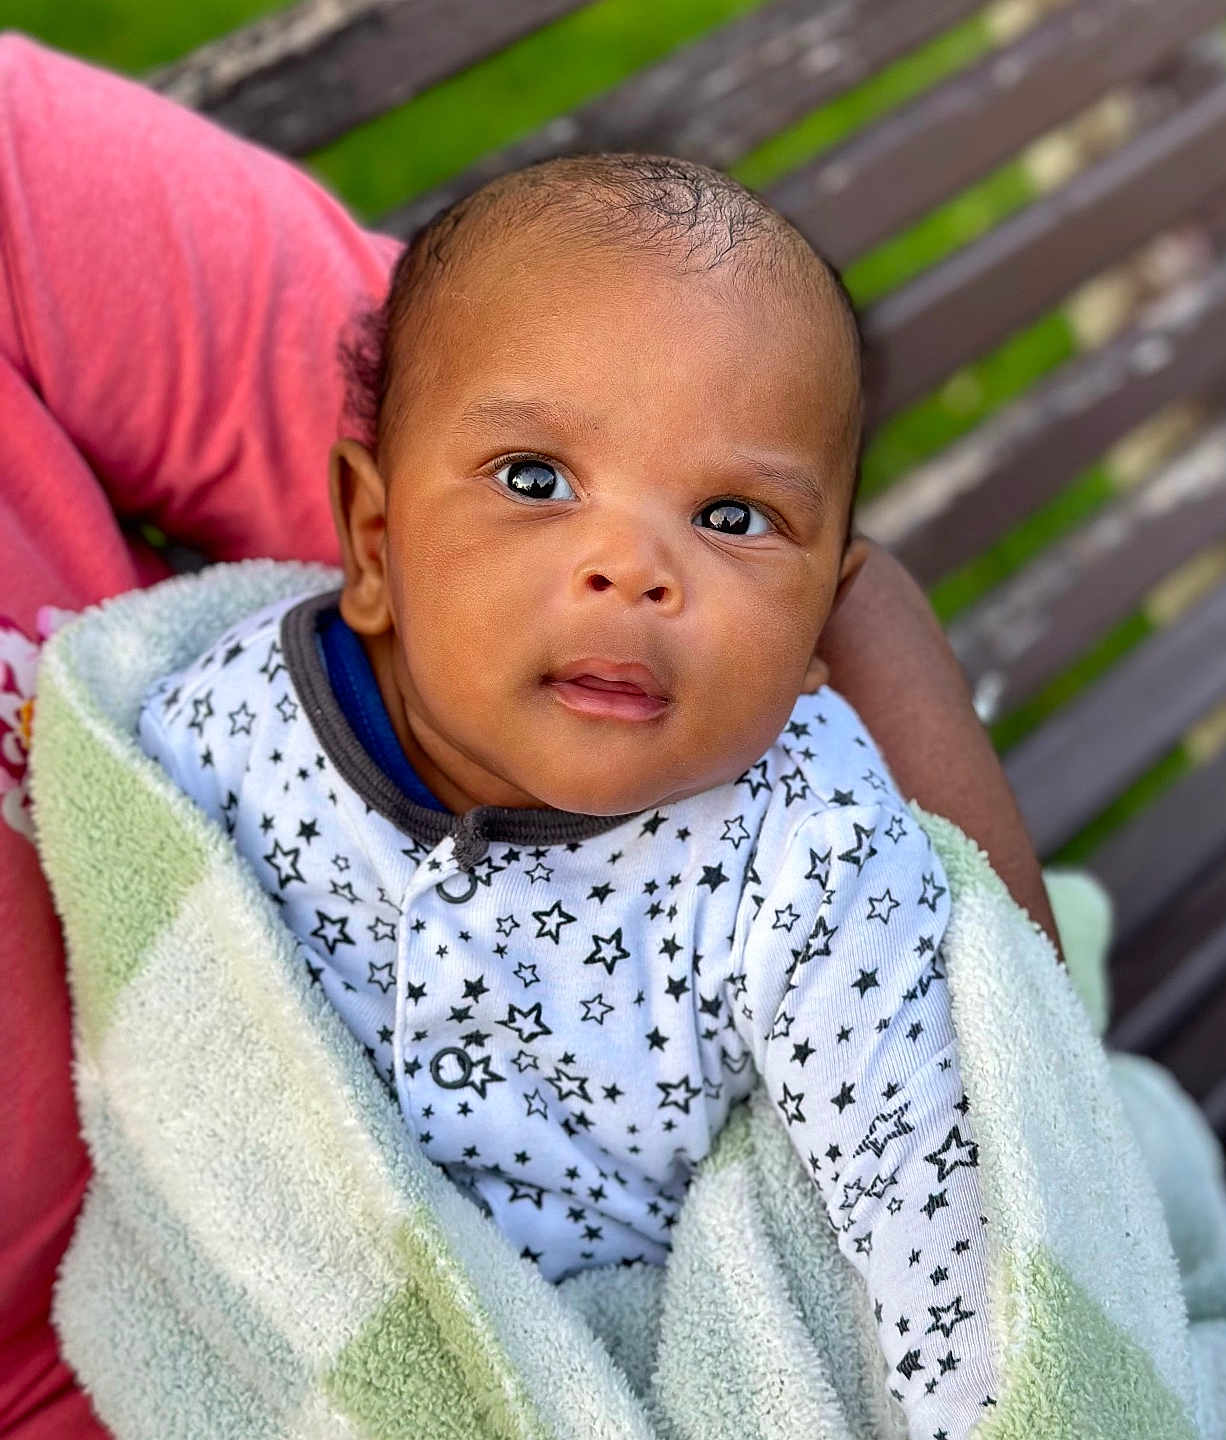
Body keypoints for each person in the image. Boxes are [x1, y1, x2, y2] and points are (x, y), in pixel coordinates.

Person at [0, 36, 1058, 1440]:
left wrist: (1010, 1016)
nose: (632, 563)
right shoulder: (225, 737)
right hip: (221, 1328)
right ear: (368, 547)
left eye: (727, 520)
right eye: (542, 484)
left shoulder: (808, 864)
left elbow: (968, 1211)